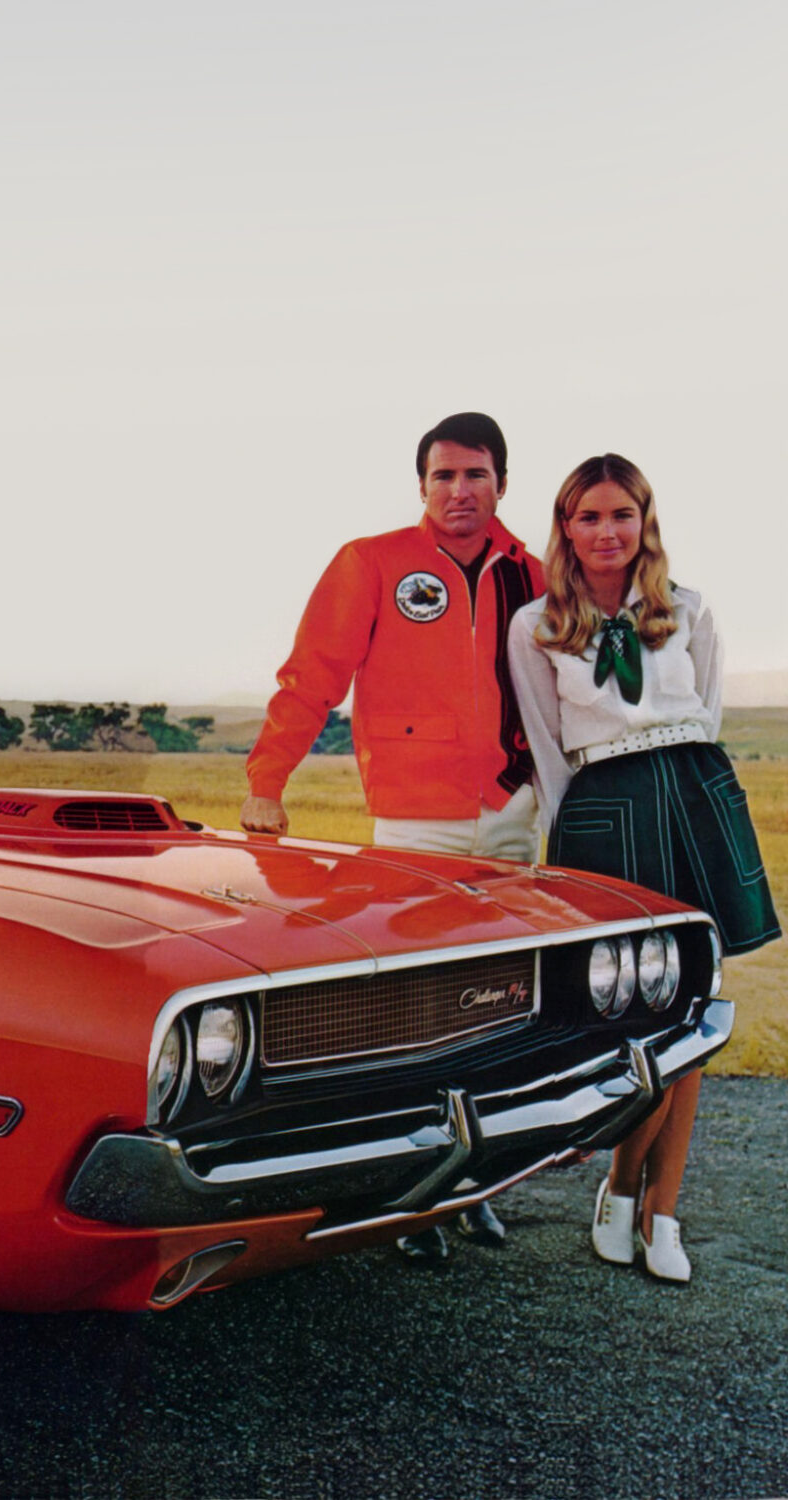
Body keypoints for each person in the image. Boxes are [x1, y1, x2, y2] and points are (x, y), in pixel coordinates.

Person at [241, 411, 546, 1261]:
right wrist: (267, 782)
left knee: (503, 1007)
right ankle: (402, 1198)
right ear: (421, 486)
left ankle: (473, 1184)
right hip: (419, 821)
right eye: (444, 476)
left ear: (502, 484)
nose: (460, 491)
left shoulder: (533, 573)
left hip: (513, 815)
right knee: (417, 1013)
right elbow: (312, 678)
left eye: (476, 475)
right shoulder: (373, 562)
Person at [507, 453, 778, 1283]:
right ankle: (619, 1189)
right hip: (603, 804)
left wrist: (684, 786)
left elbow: (709, 709)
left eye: (621, 514)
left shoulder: (687, 610)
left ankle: (660, 1211)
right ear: (565, 527)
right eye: (587, 517)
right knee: (635, 1010)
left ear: (644, 520)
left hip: (693, 789)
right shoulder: (538, 625)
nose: (606, 532)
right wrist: (574, 843)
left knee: (694, 1003)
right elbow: (550, 745)